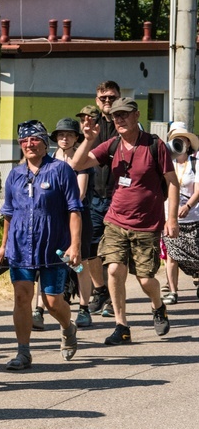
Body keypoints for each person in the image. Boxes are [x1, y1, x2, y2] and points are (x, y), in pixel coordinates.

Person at [71, 97, 178, 344]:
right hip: (116, 220)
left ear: (137, 115)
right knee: (115, 269)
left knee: (145, 279)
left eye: (124, 114)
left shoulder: (154, 145)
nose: (119, 119)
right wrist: (88, 139)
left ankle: (158, 305)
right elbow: (77, 165)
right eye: (116, 115)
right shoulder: (111, 146)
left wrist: (171, 218)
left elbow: (172, 182)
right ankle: (122, 326)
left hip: (148, 224)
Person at [0, 120, 82, 370]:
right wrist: (3, 246)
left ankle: (68, 328)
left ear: (45, 142)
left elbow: (74, 209)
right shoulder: (15, 174)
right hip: (20, 246)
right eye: (23, 141)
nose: (28, 144)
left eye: (34, 139)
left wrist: (75, 245)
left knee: (52, 301)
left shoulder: (60, 170)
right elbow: (8, 213)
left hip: (53, 246)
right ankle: (23, 352)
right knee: (22, 297)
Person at [50, 118, 95, 328]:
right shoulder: (49, 159)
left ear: (76, 138)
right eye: (60, 135)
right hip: (54, 218)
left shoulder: (81, 160)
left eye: (68, 134)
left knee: (81, 263)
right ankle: (41, 308)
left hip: (78, 216)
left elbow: (80, 192)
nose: (64, 138)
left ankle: (84, 308)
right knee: (47, 260)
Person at [82, 81, 121, 317]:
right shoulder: (90, 125)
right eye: (104, 98)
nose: (108, 101)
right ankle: (100, 290)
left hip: (118, 197)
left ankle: (113, 300)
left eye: (112, 97)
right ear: (97, 100)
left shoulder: (126, 124)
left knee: (116, 252)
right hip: (94, 196)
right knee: (90, 249)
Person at [162, 122, 199, 304]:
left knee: (196, 254)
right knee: (171, 255)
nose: (180, 142)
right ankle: (173, 291)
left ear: (188, 142)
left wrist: (188, 206)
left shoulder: (195, 162)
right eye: (176, 139)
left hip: (193, 218)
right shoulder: (167, 163)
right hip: (170, 217)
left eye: (183, 139)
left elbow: (198, 190)